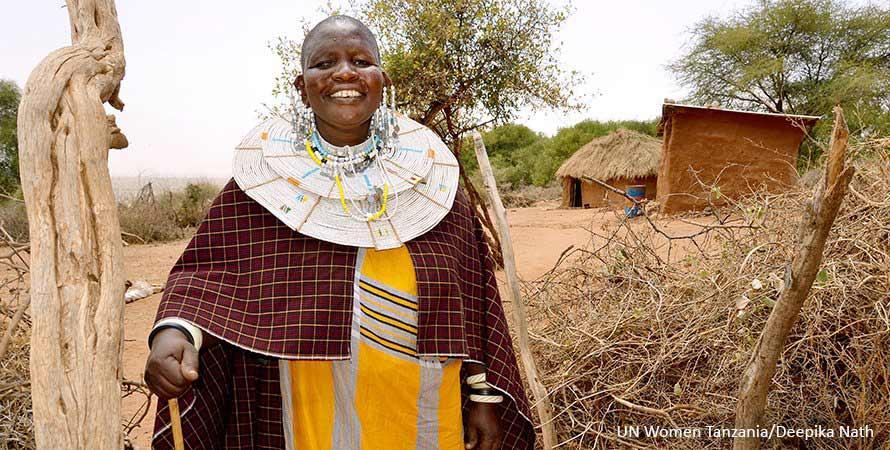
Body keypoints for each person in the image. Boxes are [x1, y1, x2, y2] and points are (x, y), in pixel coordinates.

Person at [144, 15, 534, 450]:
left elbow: (471, 298)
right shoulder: (262, 186)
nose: (344, 73)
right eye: (324, 62)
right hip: (306, 408)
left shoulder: (433, 182)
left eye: (361, 60)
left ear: (382, 79)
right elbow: (205, 276)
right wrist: (175, 334)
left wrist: (482, 396)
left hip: (423, 407)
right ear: (301, 85)